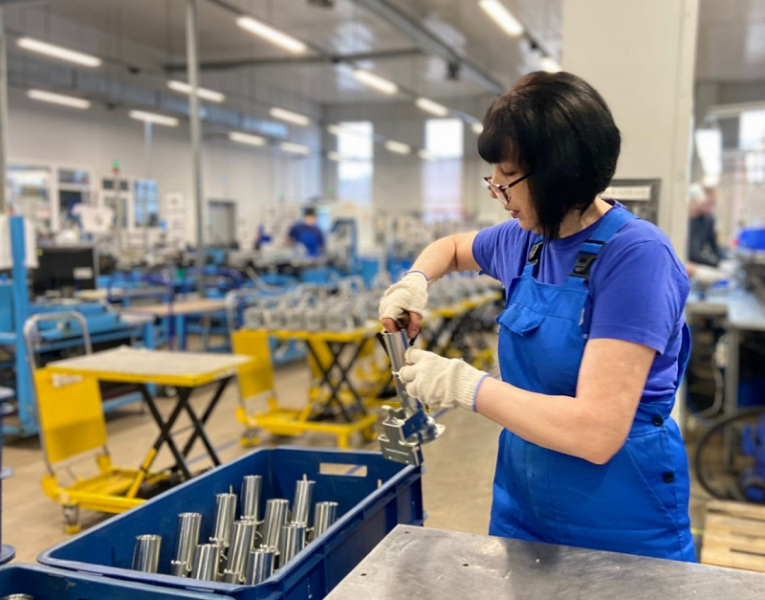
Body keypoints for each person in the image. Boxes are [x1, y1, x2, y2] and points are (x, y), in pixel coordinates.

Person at [379, 71, 694, 562]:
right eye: (494, 180)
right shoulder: (527, 240)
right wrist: (415, 281)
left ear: (557, 174)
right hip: (524, 505)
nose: (497, 194)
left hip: (618, 517)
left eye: (507, 180)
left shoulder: (635, 256)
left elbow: (596, 432)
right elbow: (454, 247)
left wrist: (466, 386)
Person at [688, 184, 724, 267]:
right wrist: (715, 263)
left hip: (699, 261)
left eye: (713, 204)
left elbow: (714, 245)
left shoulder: (709, 219)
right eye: (707, 204)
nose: (710, 208)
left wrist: (721, 261)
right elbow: (693, 252)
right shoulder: (691, 219)